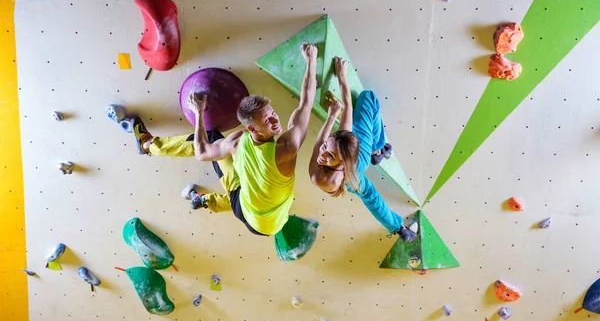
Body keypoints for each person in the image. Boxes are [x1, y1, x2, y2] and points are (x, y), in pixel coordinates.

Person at [128, 43, 319, 237]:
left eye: (272, 113)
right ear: (251, 128)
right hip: (266, 221)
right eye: (267, 119)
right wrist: (311, 61)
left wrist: (199, 112)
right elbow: (306, 103)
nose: (275, 120)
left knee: (215, 146)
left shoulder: (237, 142)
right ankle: (199, 197)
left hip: (243, 208)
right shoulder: (286, 147)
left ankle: (148, 146)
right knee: (243, 185)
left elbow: (202, 151)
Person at [308, 57, 417, 242]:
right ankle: (377, 149)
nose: (322, 155)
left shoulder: (325, 168)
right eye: (327, 149)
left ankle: (377, 151)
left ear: (343, 161)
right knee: (369, 98)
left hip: (357, 162)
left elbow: (322, 139)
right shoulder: (326, 175)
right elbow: (322, 141)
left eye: (330, 154)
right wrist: (341, 80)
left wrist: (331, 116)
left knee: (371, 197)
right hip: (354, 169)